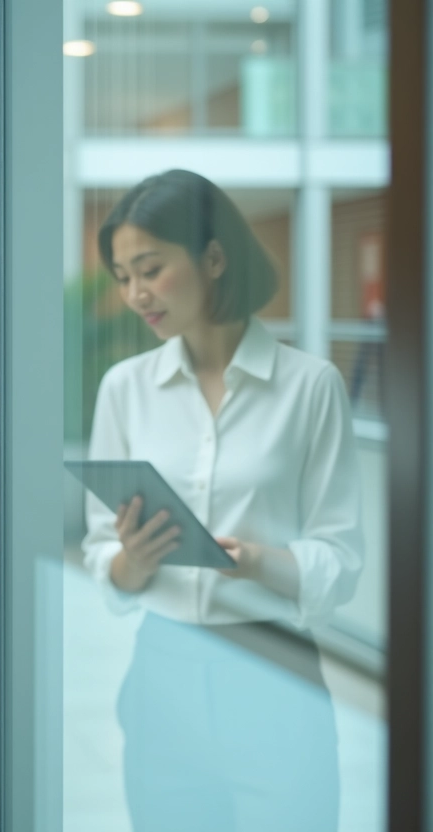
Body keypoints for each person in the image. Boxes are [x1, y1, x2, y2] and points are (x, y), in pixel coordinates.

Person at [82, 169, 363, 832]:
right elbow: (102, 550)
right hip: (163, 666)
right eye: (123, 277)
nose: (136, 293)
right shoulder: (126, 387)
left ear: (213, 257)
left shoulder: (310, 387)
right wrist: (131, 563)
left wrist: (260, 561)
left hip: (276, 666)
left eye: (150, 268)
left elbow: (343, 559)